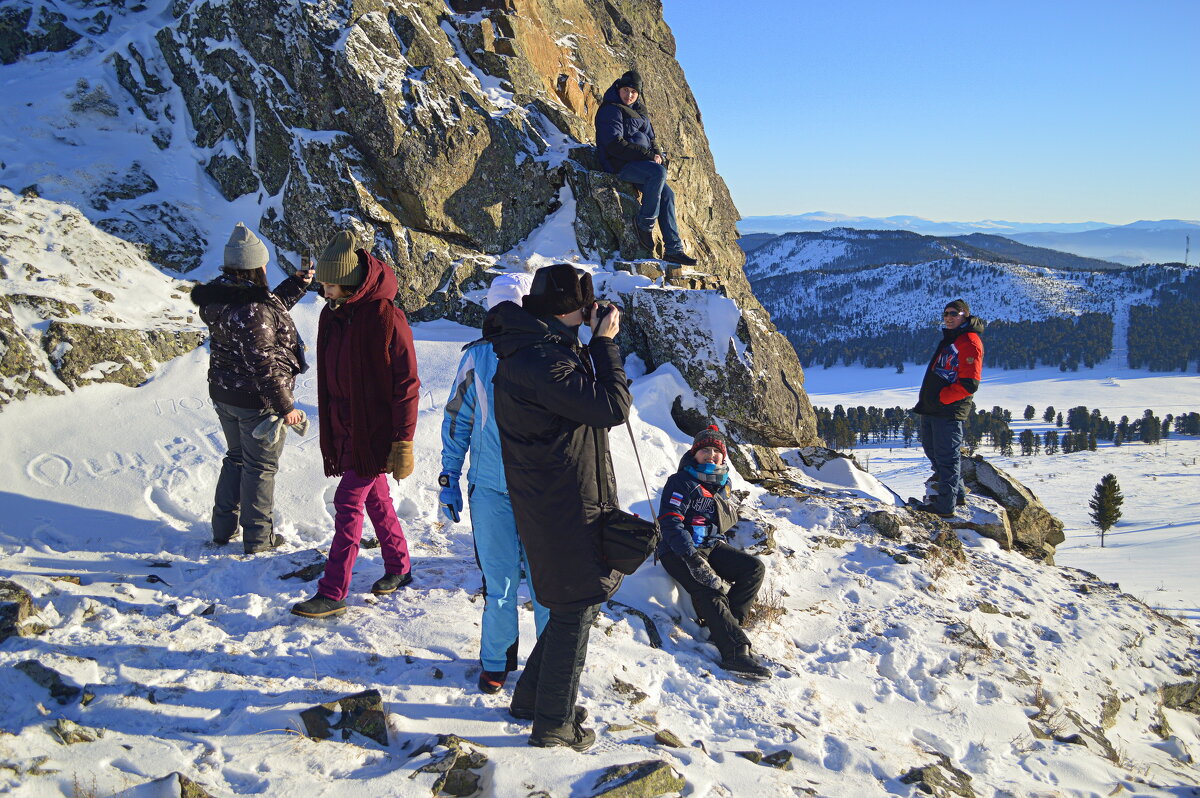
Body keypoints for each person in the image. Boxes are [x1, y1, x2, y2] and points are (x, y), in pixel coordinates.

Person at [483, 263, 631, 752]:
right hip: (562, 507)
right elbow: (611, 407)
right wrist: (605, 342)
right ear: (571, 311)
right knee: (574, 611)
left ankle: (533, 700)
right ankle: (553, 724)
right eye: (585, 309)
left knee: (572, 606)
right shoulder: (543, 361)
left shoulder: (534, 350)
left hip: (555, 500)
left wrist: (586, 339)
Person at [291, 232, 420, 618]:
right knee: (377, 500)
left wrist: (404, 442)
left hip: (376, 432)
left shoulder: (386, 316)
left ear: (346, 282)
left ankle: (333, 591)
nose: (322, 288)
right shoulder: (334, 315)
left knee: (348, 503)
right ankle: (399, 566)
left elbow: (407, 382)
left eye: (327, 282)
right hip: (347, 426)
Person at [438, 272, 550, 695]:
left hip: (537, 490)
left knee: (543, 583)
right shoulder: (477, 357)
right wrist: (448, 478)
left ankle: (547, 663)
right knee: (500, 582)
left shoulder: (547, 354)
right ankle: (497, 661)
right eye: (497, 309)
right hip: (491, 488)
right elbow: (457, 420)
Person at [192, 222, 312, 554]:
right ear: (256, 266)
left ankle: (222, 529)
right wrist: (286, 407)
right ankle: (259, 540)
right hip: (255, 401)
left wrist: (297, 284)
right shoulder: (251, 307)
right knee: (260, 467)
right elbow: (263, 362)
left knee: (237, 458)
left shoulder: (222, 294)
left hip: (224, 393)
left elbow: (266, 309)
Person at [657, 425, 771, 681]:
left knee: (753, 569)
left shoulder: (723, 484)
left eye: (716, 451)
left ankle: (728, 625)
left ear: (723, 456)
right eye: (705, 450)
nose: (711, 455)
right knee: (709, 587)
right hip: (677, 549)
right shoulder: (680, 482)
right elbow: (671, 522)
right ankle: (734, 652)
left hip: (711, 545)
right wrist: (692, 557)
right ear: (694, 454)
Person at [594, 69, 697, 267]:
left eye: (633, 92)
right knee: (658, 173)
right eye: (626, 90)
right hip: (618, 164)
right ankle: (644, 224)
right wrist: (648, 155)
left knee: (668, 195)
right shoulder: (611, 109)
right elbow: (614, 144)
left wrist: (658, 155)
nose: (629, 95)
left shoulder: (641, 113)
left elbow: (652, 139)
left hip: (641, 165)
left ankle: (673, 250)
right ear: (618, 89)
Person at [911, 299, 986, 519]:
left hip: (948, 410)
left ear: (965, 315)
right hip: (934, 407)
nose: (948, 317)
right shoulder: (953, 338)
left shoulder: (969, 341)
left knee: (947, 457)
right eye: (945, 314)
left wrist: (943, 399)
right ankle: (957, 493)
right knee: (933, 451)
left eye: (954, 313)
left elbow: (969, 383)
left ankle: (945, 506)